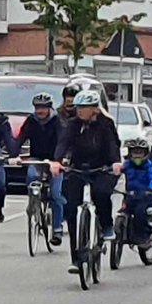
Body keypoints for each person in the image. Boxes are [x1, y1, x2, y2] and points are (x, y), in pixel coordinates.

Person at [53, 90, 121, 275]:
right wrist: (57, 161)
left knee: (101, 193)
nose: (79, 111)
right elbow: (63, 143)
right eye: (78, 107)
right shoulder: (73, 124)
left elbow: (113, 144)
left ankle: (106, 225)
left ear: (94, 109)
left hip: (102, 167)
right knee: (71, 208)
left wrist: (115, 162)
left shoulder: (105, 124)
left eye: (83, 107)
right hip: (78, 167)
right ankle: (76, 258)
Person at [15, 92, 65, 245]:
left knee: (56, 194)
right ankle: (33, 202)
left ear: (49, 108)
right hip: (36, 158)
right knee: (31, 177)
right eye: (37, 108)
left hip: (55, 160)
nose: (39, 111)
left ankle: (57, 228)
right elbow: (20, 138)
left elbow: (64, 142)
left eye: (43, 108)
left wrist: (60, 160)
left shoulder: (58, 121)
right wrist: (14, 155)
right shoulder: (31, 121)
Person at [121, 135, 152, 248]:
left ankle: (146, 234)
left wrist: (151, 189)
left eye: (140, 153)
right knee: (124, 211)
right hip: (130, 195)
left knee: (139, 212)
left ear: (145, 154)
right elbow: (118, 175)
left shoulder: (148, 166)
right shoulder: (126, 165)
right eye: (135, 153)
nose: (137, 156)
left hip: (145, 196)